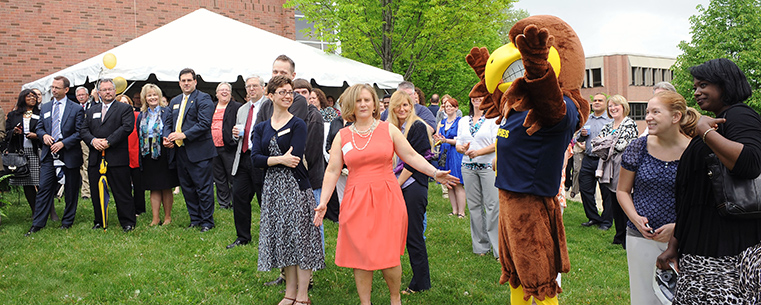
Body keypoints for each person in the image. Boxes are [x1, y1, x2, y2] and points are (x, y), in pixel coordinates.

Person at [314, 84, 458, 305]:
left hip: (387, 196)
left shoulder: (387, 129)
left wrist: (434, 172)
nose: (363, 104)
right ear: (351, 105)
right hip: (356, 198)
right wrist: (323, 202)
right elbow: (333, 170)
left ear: (374, 104)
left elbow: (411, 155)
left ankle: (395, 298)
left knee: (389, 254)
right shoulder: (342, 136)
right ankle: (365, 302)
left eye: (367, 100)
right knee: (360, 255)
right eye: (358, 101)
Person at [657, 58, 761, 304]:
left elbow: (751, 162)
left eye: (703, 85)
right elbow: (690, 196)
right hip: (701, 243)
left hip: (729, 249)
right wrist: (675, 244)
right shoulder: (715, 122)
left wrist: (705, 132)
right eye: (695, 86)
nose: (696, 92)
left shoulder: (739, 116)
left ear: (724, 85)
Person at [616, 91, 697, 305]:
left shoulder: (694, 152)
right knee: (643, 298)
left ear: (676, 117)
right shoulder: (638, 147)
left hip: (683, 240)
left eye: (655, 112)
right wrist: (635, 219)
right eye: (647, 112)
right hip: (640, 238)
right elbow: (622, 191)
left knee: (677, 299)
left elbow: (701, 202)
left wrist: (678, 228)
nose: (648, 117)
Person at [252, 76, 324, 305]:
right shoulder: (261, 127)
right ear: (270, 95)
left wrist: (272, 160)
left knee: (300, 241)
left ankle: (303, 296)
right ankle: (289, 294)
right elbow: (254, 159)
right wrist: (278, 159)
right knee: (284, 243)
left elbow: (295, 157)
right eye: (282, 92)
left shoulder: (298, 124)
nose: (287, 95)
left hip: (296, 188)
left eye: (290, 91)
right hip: (273, 190)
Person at [387, 91, 433, 294]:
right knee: (401, 234)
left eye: (406, 105)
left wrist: (396, 184)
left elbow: (417, 159)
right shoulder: (392, 128)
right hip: (397, 184)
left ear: (411, 105)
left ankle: (421, 282)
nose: (402, 109)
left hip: (413, 185)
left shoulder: (417, 126)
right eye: (398, 106)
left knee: (414, 235)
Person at [26, 75, 84, 235]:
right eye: (52, 87)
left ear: (66, 90)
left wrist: (63, 143)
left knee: (71, 190)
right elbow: (39, 127)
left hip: (69, 154)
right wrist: (43, 135)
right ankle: (37, 224)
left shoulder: (76, 109)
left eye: (57, 88)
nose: (53, 90)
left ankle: (67, 221)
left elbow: (79, 132)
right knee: (44, 188)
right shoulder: (45, 107)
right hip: (48, 155)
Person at [163, 68, 217, 232]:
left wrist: (183, 135)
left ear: (195, 82)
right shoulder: (174, 101)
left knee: (203, 188)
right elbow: (167, 123)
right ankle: (195, 219)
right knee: (187, 188)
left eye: (189, 80)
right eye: (183, 80)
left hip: (199, 152)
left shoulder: (204, 98)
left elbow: (204, 123)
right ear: (179, 83)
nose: (186, 83)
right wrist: (167, 137)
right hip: (180, 152)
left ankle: (207, 222)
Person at [81, 79, 137, 232]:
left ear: (115, 91)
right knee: (96, 191)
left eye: (110, 89)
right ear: (99, 92)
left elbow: (127, 127)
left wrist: (108, 142)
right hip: (96, 157)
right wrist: (93, 141)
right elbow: (83, 130)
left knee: (122, 191)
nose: (107, 92)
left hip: (117, 157)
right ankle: (99, 220)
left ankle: (127, 222)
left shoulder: (124, 108)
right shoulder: (91, 110)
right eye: (104, 90)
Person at [456, 95, 499, 258]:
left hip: (488, 166)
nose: (476, 99)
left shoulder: (492, 119)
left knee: (493, 206)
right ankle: (480, 246)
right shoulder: (463, 120)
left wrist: (478, 152)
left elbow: (497, 143)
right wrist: (461, 148)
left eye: (480, 96)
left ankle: (497, 249)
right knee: (474, 207)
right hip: (468, 166)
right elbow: (459, 142)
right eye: (474, 97)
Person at [226, 75, 266, 249]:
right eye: (248, 86)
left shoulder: (269, 107)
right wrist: (236, 135)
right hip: (242, 157)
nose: (251, 89)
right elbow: (239, 134)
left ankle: (268, 238)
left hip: (261, 159)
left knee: (264, 199)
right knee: (239, 197)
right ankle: (242, 236)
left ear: (263, 88)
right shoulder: (242, 109)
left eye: (255, 86)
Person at [593, 94, 639, 244]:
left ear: (623, 106)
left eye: (615, 105)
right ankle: (619, 235)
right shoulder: (608, 126)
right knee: (613, 200)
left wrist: (607, 143)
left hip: (623, 166)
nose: (612, 108)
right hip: (608, 167)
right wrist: (609, 143)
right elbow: (596, 145)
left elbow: (621, 146)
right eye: (610, 106)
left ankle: (628, 235)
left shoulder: (629, 124)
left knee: (624, 200)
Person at [137, 84, 179, 226]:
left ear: (159, 96)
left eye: (155, 95)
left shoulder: (167, 112)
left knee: (166, 185)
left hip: (164, 150)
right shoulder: (141, 115)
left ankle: (167, 217)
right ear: (145, 98)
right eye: (149, 95)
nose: (152, 97)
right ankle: (155, 218)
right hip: (147, 153)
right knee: (153, 186)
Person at [6, 89, 43, 218]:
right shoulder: (13, 115)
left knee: (41, 182)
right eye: (29, 96)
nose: (33, 98)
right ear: (23, 98)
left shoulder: (41, 113)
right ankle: (35, 210)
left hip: (36, 150)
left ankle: (48, 209)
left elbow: (46, 129)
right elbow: (6, 132)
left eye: (34, 96)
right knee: (27, 182)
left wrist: (37, 135)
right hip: (20, 152)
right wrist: (14, 132)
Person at [577, 93, 613, 229]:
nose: (596, 102)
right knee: (585, 189)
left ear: (605, 104)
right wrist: (581, 135)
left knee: (606, 192)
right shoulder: (587, 119)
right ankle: (593, 217)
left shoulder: (610, 121)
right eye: (595, 100)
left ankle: (606, 221)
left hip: (603, 161)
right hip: (588, 159)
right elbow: (578, 139)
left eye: (600, 101)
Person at [433, 96, 465, 217]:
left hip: (455, 153)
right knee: (448, 183)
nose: (449, 108)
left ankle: (461, 212)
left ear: (456, 108)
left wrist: (446, 140)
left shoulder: (460, 122)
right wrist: (438, 139)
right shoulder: (442, 122)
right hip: (444, 153)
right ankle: (454, 210)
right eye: (446, 106)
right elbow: (438, 135)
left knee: (457, 182)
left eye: (451, 106)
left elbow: (460, 140)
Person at [211, 82, 240, 210]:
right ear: (216, 94)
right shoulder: (211, 107)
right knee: (219, 177)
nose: (224, 92)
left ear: (230, 93)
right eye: (221, 90)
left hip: (229, 146)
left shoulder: (237, 107)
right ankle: (223, 203)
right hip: (213, 147)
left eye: (227, 90)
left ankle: (236, 202)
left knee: (233, 176)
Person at [117, 94, 146, 216]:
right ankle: (127, 208)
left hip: (136, 154)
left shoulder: (138, 116)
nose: (124, 105)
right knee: (124, 185)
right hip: (121, 155)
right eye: (121, 103)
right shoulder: (115, 118)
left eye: (126, 102)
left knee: (138, 184)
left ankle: (140, 209)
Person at [75, 86, 93, 199]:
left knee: (86, 164)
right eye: (79, 95)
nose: (81, 97)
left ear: (87, 95)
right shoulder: (75, 108)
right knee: (79, 164)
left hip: (86, 138)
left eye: (83, 95)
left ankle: (86, 192)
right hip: (75, 139)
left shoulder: (93, 105)